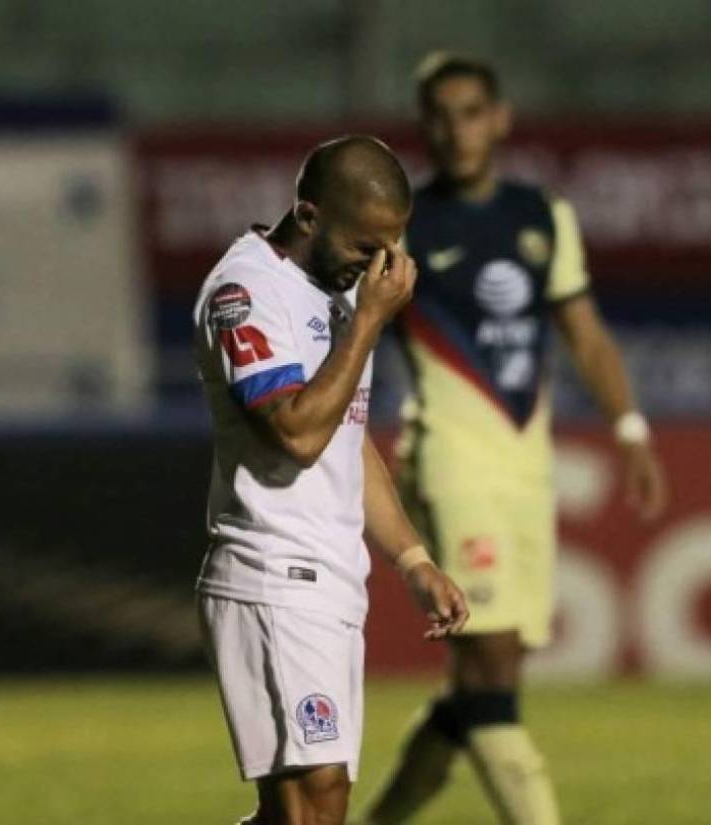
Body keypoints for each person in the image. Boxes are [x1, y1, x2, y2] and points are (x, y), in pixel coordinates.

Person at [356, 54, 668, 825]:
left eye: (471, 112)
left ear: (500, 119)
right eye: (441, 116)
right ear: (423, 126)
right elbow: (356, 329)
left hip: (527, 465)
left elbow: (584, 332)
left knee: (488, 677)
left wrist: (630, 428)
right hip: (453, 460)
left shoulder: (541, 214)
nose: (457, 130)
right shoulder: (403, 225)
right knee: (489, 659)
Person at [192, 135, 469, 825]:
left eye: (391, 246)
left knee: (299, 813)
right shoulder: (245, 291)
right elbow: (296, 431)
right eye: (364, 245)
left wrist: (413, 559)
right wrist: (369, 322)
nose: (377, 266)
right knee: (319, 805)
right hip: (273, 573)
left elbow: (346, 440)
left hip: (328, 580)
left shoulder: (337, 295)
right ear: (309, 215)